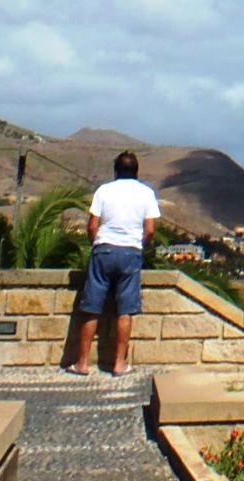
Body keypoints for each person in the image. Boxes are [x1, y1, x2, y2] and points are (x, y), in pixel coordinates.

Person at [66, 151, 160, 376]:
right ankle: (119, 364)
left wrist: (97, 242)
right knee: (125, 310)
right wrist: (138, 245)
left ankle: (82, 363)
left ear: (116, 171)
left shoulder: (104, 191)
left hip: (104, 250)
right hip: (130, 253)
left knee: (91, 308)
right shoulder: (146, 193)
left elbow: (91, 226)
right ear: (136, 172)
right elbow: (149, 230)